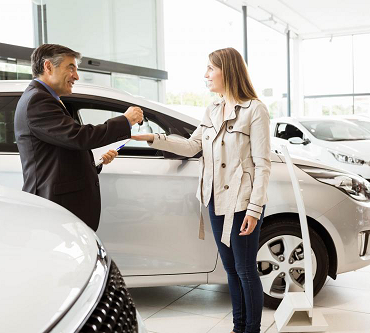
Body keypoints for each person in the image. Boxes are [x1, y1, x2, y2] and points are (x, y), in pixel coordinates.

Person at [133, 47, 271, 333]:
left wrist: (255, 209)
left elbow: (262, 164)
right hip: (214, 198)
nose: (205, 75)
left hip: (243, 201)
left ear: (228, 70)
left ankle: (252, 329)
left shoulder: (254, 109)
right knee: (230, 269)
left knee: (246, 270)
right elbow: (192, 146)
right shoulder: (212, 109)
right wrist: (154, 138)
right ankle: (238, 327)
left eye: (210, 68)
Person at [14, 44, 143, 231]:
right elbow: (79, 136)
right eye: (71, 68)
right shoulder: (38, 100)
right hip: (55, 206)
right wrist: (125, 120)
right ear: (48, 67)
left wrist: (95, 161)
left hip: (61, 203)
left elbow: (63, 145)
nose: (76, 76)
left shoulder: (45, 98)